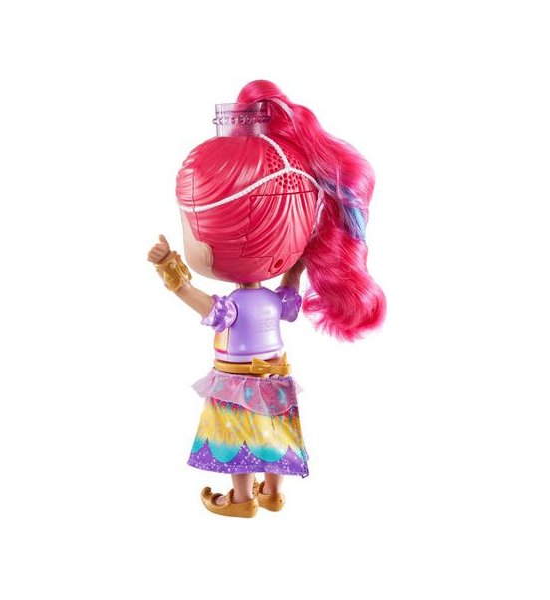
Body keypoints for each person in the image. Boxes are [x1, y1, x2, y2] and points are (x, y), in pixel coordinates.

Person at [147, 80, 386, 518]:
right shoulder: (274, 303)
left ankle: (242, 500)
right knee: (274, 434)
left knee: (236, 437)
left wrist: (171, 271)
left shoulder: (235, 306)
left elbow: (196, 299)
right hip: (275, 375)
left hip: (237, 379)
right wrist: (299, 264)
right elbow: (290, 298)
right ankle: (273, 493)